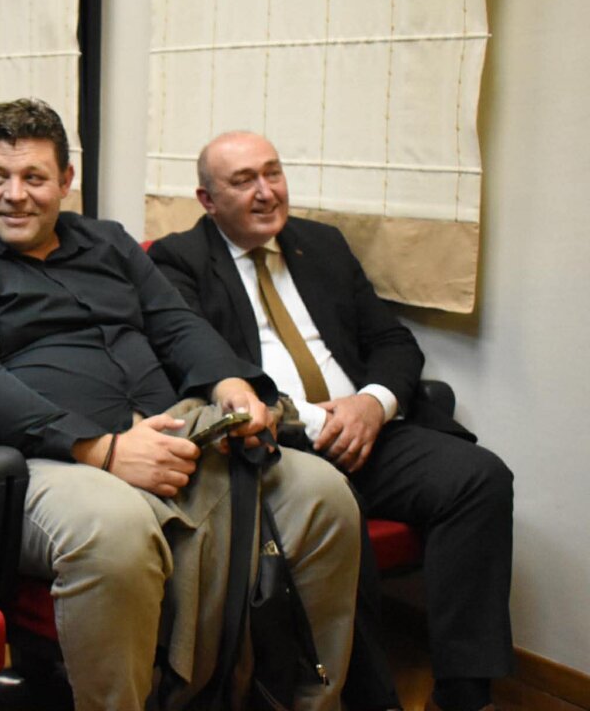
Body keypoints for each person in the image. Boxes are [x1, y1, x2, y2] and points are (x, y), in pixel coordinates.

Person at [0, 99, 361, 711]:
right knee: (114, 530)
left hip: (171, 434)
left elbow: (176, 323)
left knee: (325, 495)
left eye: (34, 177)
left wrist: (231, 385)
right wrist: (104, 450)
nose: (14, 195)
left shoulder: (107, 242)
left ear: (66, 180)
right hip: (44, 462)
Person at [148, 131, 514, 711]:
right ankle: (373, 700)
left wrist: (373, 404)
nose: (267, 192)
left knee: (479, 479)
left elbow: (392, 341)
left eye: (273, 172)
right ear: (207, 200)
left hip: (365, 430)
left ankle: (464, 695)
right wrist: (305, 422)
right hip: (277, 444)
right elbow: (192, 362)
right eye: (244, 181)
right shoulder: (177, 262)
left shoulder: (321, 245)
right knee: (338, 515)